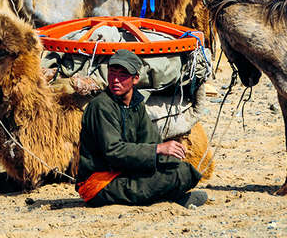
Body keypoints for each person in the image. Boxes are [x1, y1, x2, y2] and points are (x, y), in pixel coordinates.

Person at [75, 49, 207, 208]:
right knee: (172, 177)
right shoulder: (101, 106)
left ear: (135, 78)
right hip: (100, 183)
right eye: (112, 73)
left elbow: (150, 141)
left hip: (124, 172)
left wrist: (168, 160)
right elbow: (114, 152)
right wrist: (158, 149)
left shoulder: (136, 104)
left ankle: (169, 194)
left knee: (182, 170)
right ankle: (173, 199)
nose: (115, 80)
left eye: (122, 75)